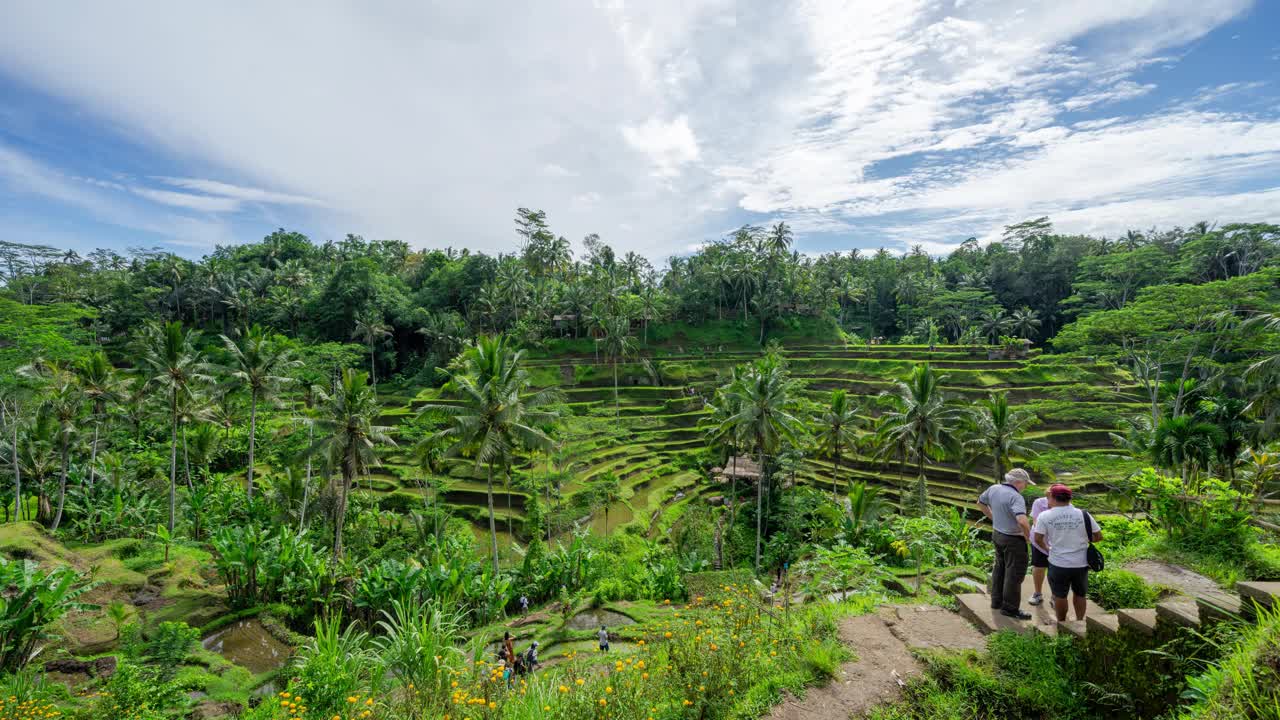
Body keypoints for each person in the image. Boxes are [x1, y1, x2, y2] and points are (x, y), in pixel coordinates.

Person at [1032, 484, 1103, 622]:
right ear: (1069, 498)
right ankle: (1080, 621)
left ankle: (1062, 623)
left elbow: (1038, 538)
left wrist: (1047, 549)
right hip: (1081, 563)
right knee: (1080, 594)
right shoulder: (1083, 514)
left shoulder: (1045, 516)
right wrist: (1080, 541)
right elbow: (1098, 536)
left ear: (1052, 497)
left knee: (1060, 595)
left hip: (1058, 562)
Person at [977, 468, 1035, 620]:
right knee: (1014, 574)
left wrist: (994, 518)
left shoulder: (994, 488)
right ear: (1018, 482)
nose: (1026, 487)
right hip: (1013, 539)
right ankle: (1010, 608)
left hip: (997, 534)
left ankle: (996, 602)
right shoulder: (1015, 497)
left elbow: (980, 503)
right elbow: (1022, 520)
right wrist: (1028, 537)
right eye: (1025, 484)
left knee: (1000, 568)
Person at [1028, 487, 1051, 606]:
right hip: (1039, 539)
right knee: (1039, 566)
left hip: (1056, 541)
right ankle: (1037, 593)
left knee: (1055, 568)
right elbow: (1036, 522)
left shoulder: (1065, 504)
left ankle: (1055, 596)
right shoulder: (1039, 503)